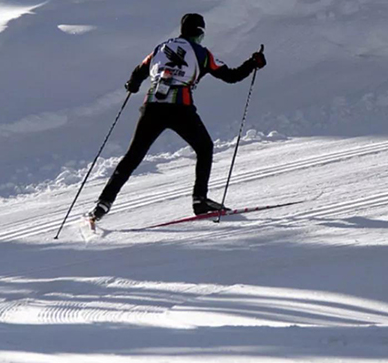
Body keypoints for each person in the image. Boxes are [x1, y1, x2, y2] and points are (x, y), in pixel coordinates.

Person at [87, 13, 266, 222]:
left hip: (153, 106)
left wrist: (132, 85)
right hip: (181, 107)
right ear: (200, 32)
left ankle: (103, 204)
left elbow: (138, 73)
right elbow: (231, 76)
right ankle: (200, 200)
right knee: (204, 148)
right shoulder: (203, 54)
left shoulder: (160, 48)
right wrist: (253, 62)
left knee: (133, 156)